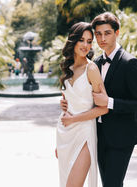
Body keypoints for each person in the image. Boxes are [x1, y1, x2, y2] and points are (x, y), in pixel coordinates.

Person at [61, 12, 137, 187]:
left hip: (122, 136)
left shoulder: (130, 63)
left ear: (117, 33)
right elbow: (89, 96)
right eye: (98, 34)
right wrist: (68, 101)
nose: (102, 38)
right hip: (98, 134)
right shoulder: (96, 63)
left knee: (112, 184)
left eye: (107, 33)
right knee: (108, 183)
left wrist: (109, 102)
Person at [56, 22, 109, 187]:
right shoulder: (68, 67)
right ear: (73, 41)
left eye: (89, 41)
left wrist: (74, 119)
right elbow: (71, 99)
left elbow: (104, 107)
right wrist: (65, 105)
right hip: (65, 133)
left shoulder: (91, 69)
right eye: (82, 40)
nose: (86, 45)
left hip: (84, 133)